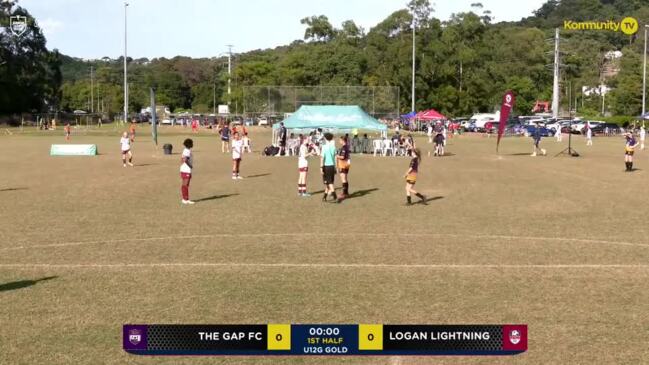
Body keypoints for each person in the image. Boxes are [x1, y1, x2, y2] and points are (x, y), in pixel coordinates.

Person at [320, 132, 337, 202]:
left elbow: (322, 158)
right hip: (332, 166)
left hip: (326, 166)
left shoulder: (324, 147)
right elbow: (335, 158)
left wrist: (321, 167)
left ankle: (334, 195)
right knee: (329, 182)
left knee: (329, 182)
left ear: (325, 139)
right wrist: (336, 167)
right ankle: (324, 197)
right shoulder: (333, 147)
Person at [336, 136, 351, 202]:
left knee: (343, 179)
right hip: (346, 164)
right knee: (345, 178)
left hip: (343, 165)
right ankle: (346, 192)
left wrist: (336, 156)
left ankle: (345, 193)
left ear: (343, 140)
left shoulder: (344, 148)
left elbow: (342, 157)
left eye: (340, 140)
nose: (339, 141)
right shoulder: (346, 147)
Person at [180, 139, 195, 204]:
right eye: (192, 143)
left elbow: (182, 159)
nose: (193, 144)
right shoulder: (187, 151)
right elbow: (185, 159)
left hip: (184, 169)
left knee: (185, 185)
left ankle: (185, 199)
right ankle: (185, 199)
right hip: (186, 169)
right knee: (185, 185)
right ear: (189, 144)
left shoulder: (186, 150)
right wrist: (190, 166)